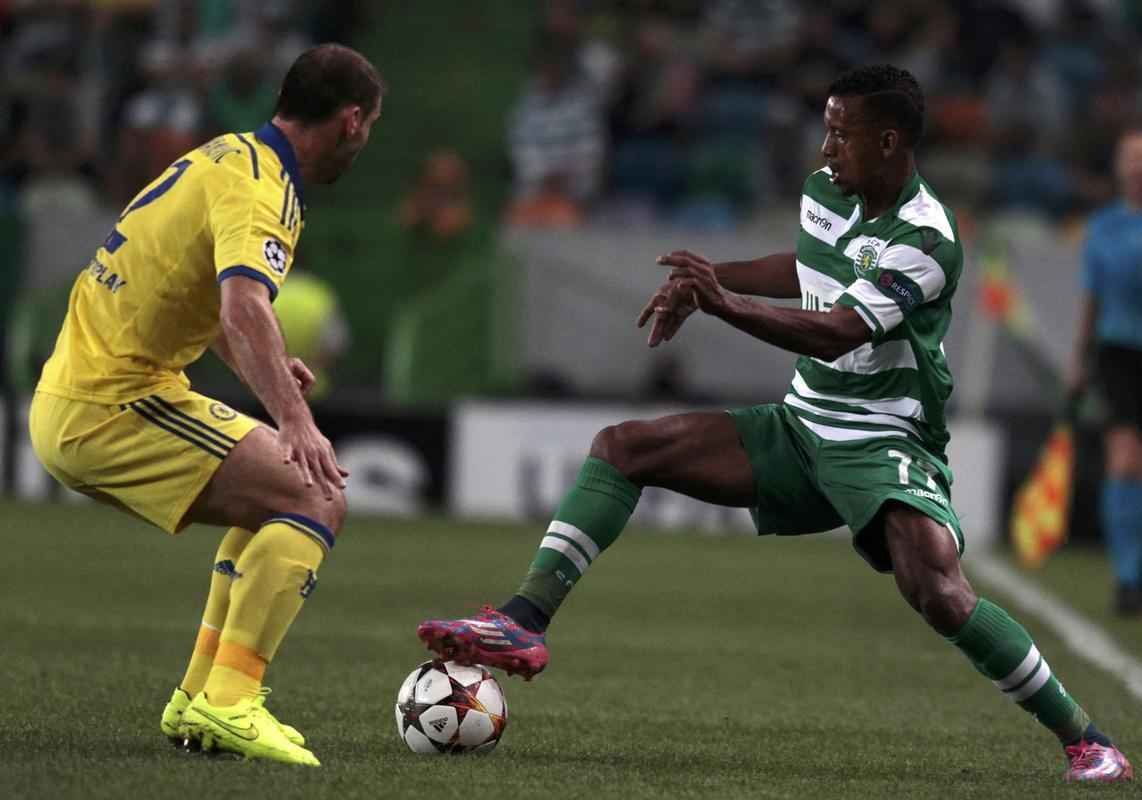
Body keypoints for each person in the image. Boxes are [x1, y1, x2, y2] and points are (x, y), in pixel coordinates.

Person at [418, 65, 1133, 783]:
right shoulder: (827, 192)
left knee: (940, 595)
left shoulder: (927, 238)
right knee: (623, 448)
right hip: (801, 425)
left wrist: (720, 305)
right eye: (825, 130)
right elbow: (808, 266)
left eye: (839, 134)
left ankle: (1087, 739)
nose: (825, 150)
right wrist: (714, 279)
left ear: (887, 142)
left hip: (882, 439)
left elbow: (838, 331)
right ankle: (524, 620)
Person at [28, 43, 385, 767]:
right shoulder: (267, 191)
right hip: (113, 401)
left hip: (86, 391)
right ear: (350, 121)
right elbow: (245, 303)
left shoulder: (227, 154)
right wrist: (295, 418)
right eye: (370, 126)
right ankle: (231, 700)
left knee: (275, 501)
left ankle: (199, 700)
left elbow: (211, 303)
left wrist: (267, 368)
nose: (366, 140)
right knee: (317, 494)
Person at [1069, 125, 1142, 617]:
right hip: (1119, 353)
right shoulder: (1103, 228)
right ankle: (1128, 578)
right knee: (1124, 460)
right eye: (1130, 157)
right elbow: (1091, 302)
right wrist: (1080, 357)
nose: (1136, 166)